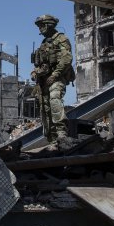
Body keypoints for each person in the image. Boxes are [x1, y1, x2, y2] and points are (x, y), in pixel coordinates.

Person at [31, 14, 75, 142]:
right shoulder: (44, 43)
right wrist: (34, 73)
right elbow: (38, 64)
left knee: (55, 99)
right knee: (45, 108)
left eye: (41, 26)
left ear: (48, 25)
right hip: (43, 81)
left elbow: (66, 59)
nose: (40, 29)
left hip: (57, 78)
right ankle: (52, 138)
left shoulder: (61, 39)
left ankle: (61, 133)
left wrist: (55, 75)